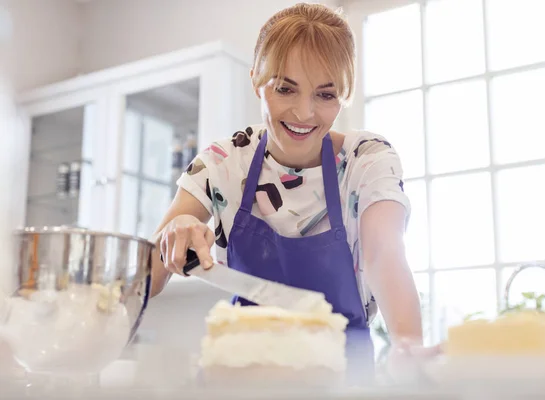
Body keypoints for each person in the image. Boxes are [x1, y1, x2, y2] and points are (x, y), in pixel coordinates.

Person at [149, 3, 423, 348]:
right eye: (285, 89)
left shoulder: (365, 160)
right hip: (241, 366)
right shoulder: (223, 162)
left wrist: (408, 348)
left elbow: (384, 252)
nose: (304, 113)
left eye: (325, 94)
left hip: (344, 375)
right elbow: (147, 280)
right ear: (256, 81)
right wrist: (171, 235)